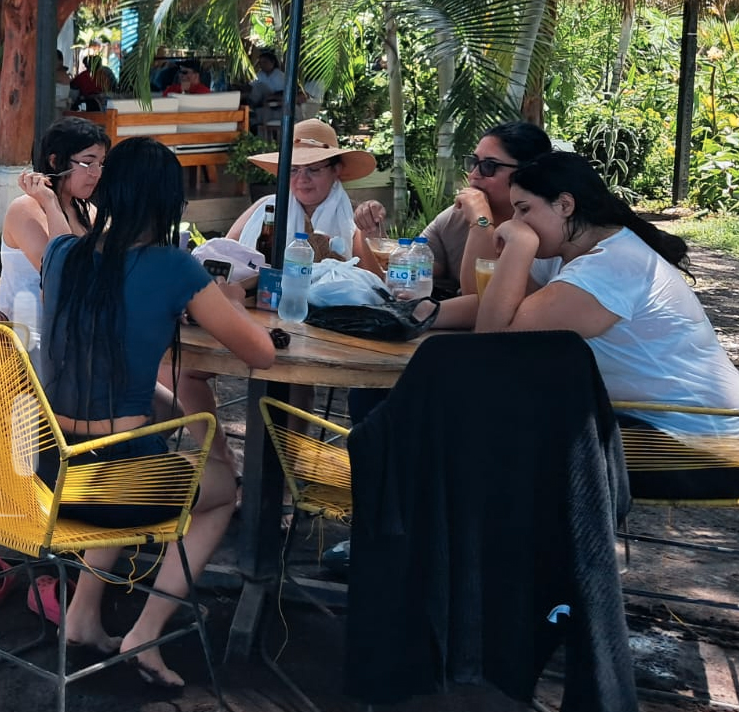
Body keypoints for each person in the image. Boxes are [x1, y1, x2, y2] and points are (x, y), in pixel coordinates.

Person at [38, 136, 275, 686]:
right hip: (117, 475)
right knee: (222, 490)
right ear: (171, 203)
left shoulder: (61, 252)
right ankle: (146, 632)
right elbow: (259, 353)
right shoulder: (173, 267)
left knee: (138, 450)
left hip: (52, 459)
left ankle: (81, 616)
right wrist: (231, 300)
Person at [472, 152, 739, 496]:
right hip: (657, 426)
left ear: (565, 205)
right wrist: (425, 314)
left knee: (489, 441)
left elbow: (492, 343)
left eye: (524, 209)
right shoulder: (572, 252)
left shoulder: (611, 266)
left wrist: (518, 246)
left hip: (701, 446)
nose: (517, 221)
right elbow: (490, 301)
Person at [355, 121, 552, 297]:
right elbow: (402, 277)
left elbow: (482, 297)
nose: (474, 174)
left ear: (527, 173)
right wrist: (371, 230)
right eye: (473, 162)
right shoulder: (455, 218)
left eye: (489, 166)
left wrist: (481, 221)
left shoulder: (545, 227)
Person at [0, 117, 109, 339]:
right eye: (88, 163)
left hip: (74, 331)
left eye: (101, 163)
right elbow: (60, 270)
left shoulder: (86, 210)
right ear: (56, 162)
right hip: (28, 340)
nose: (96, 173)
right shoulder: (25, 209)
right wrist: (50, 202)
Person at [226, 118, 378, 268]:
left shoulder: (355, 218)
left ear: (336, 170)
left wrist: (368, 229)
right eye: (293, 170)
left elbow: (375, 279)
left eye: (313, 169)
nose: (302, 178)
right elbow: (222, 253)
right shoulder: (267, 208)